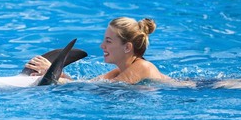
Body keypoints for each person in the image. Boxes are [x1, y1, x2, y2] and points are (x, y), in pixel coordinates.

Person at [25, 17, 171, 84]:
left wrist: (55, 78)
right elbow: (86, 84)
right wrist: (57, 72)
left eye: (108, 41)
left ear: (127, 47)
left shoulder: (142, 67)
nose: (102, 46)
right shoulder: (119, 71)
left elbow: (103, 88)